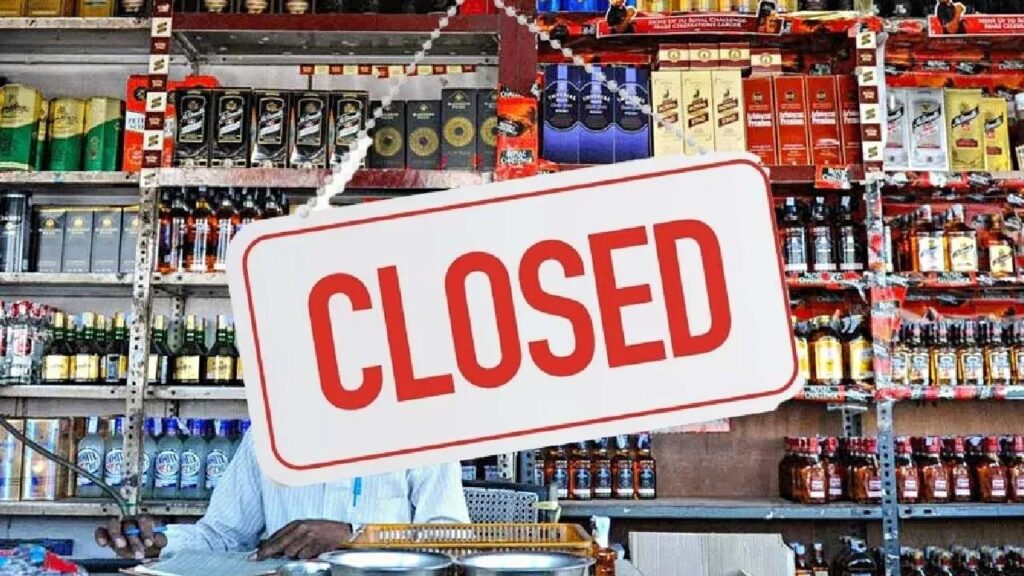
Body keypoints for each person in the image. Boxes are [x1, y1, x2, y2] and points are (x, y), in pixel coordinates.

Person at [95, 432, 470, 561]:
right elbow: (223, 536)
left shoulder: (422, 431)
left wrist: (356, 537)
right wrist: (159, 541)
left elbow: (453, 541)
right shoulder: (267, 434)